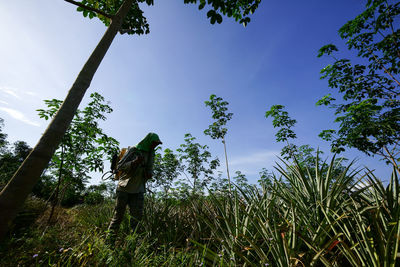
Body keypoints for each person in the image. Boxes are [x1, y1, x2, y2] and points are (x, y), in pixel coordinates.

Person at [106, 132, 162, 245]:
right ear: (148, 141)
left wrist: (149, 173)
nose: (154, 146)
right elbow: (120, 166)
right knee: (118, 217)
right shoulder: (133, 150)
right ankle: (109, 242)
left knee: (136, 220)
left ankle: (134, 245)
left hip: (138, 189)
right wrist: (134, 162)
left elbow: (150, 169)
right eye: (154, 143)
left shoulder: (151, 154)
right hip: (124, 188)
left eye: (156, 145)